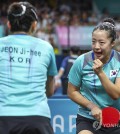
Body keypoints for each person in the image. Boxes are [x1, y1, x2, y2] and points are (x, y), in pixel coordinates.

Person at [0, 2, 57, 134]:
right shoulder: (46, 47)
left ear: (9, 24)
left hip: (3, 118)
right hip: (38, 119)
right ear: (34, 25)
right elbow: (49, 91)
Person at [68, 18, 120, 134]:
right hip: (88, 118)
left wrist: (100, 73)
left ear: (112, 43)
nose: (96, 46)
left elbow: (116, 94)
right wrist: (92, 106)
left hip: (116, 118)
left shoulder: (119, 61)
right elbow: (72, 91)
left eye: (101, 43)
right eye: (93, 41)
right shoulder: (82, 61)